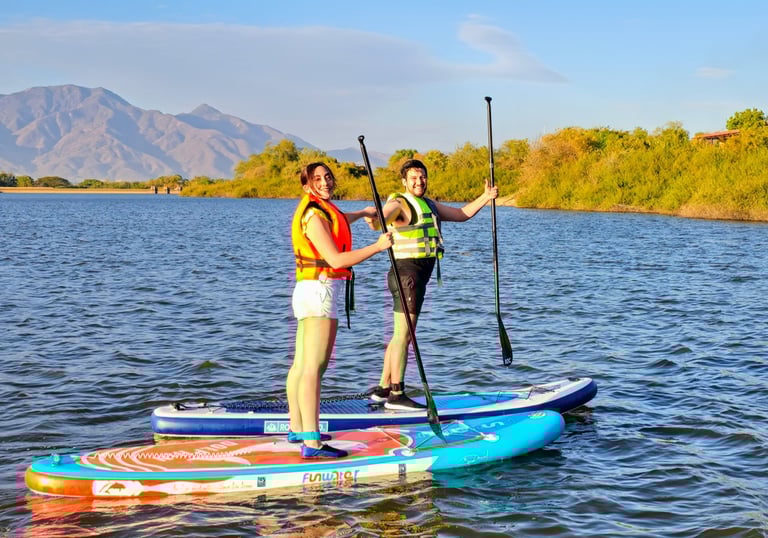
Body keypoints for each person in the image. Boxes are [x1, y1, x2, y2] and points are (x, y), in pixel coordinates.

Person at [365, 159, 498, 410]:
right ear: (404, 181)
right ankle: (397, 394)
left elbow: (461, 214)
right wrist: (374, 221)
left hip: (415, 276)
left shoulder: (429, 204)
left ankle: (383, 388)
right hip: (408, 274)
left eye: (422, 177)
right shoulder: (400, 202)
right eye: (413, 178)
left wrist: (486, 196)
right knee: (404, 335)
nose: (419, 182)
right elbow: (383, 217)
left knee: (399, 336)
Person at [287, 162, 392, 459]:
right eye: (317, 179)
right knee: (313, 368)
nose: (325, 182)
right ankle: (312, 440)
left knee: (300, 365)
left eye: (328, 177)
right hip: (319, 291)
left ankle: (297, 427)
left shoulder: (320, 209)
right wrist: (377, 246)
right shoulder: (313, 215)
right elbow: (335, 260)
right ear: (307, 186)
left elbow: (339, 218)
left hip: (310, 290)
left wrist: (363, 213)